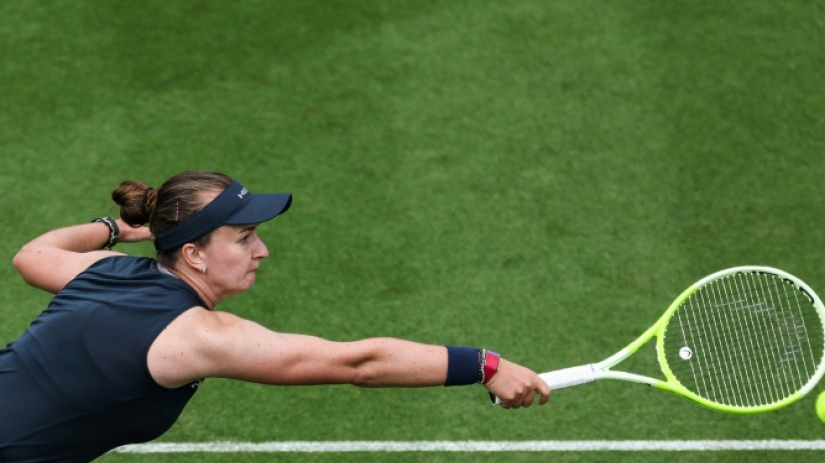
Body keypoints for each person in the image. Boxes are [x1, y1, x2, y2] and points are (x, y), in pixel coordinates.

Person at [0, 171, 550, 462]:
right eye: (243, 238)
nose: (261, 251)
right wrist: (484, 365)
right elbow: (358, 362)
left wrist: (120, 229)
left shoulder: (105, 271)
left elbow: (32, 255)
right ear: (192, 254)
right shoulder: (200, 336)